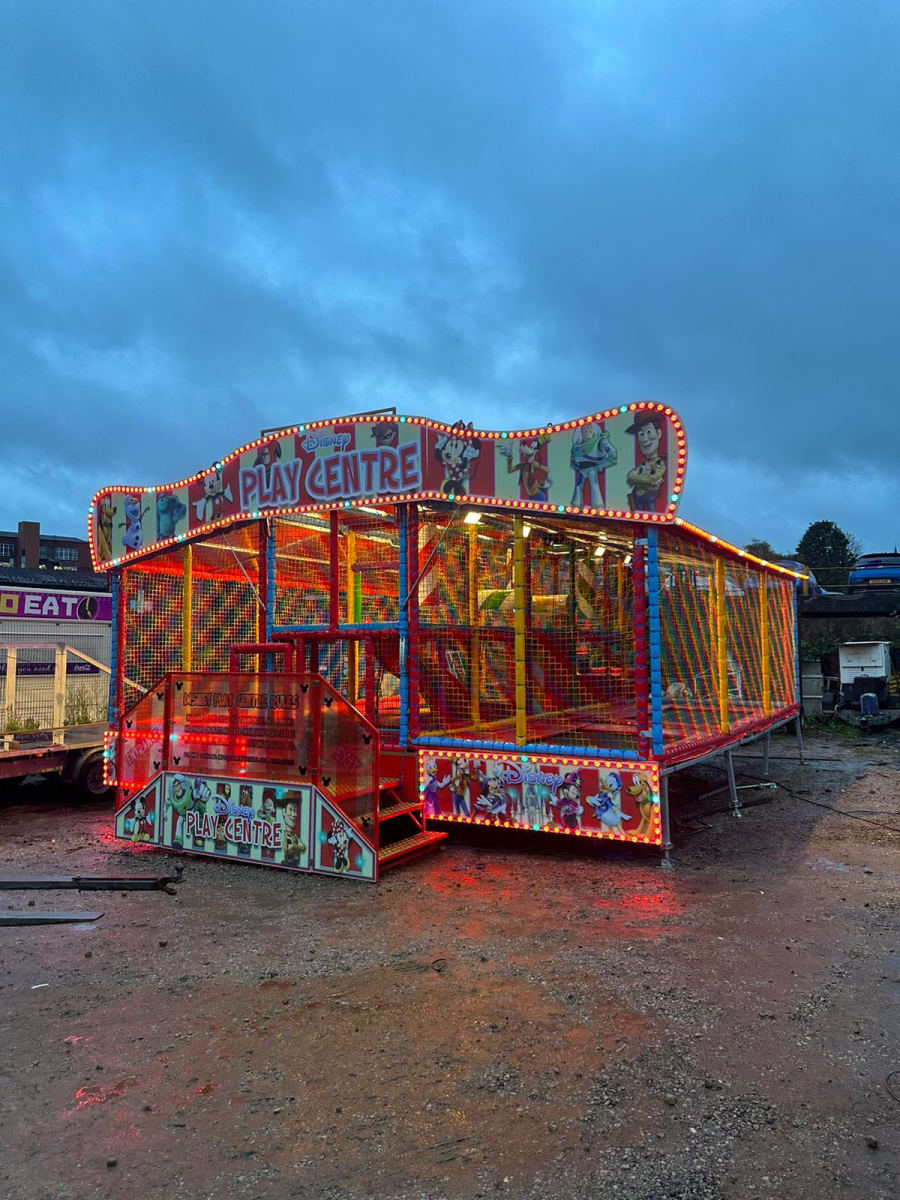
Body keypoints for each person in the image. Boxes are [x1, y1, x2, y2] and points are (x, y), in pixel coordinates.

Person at [625, 412, 666, 511]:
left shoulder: (659, 463)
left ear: (658, 433)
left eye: (648, 432)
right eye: (641, 434)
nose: (644, 439)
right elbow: (630, 477)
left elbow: (655, 478)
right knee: (637, 512)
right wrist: (645, 480)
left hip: (649, 495)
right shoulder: (643, 465)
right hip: (638, 496)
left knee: (651, 511)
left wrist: (640, 479)